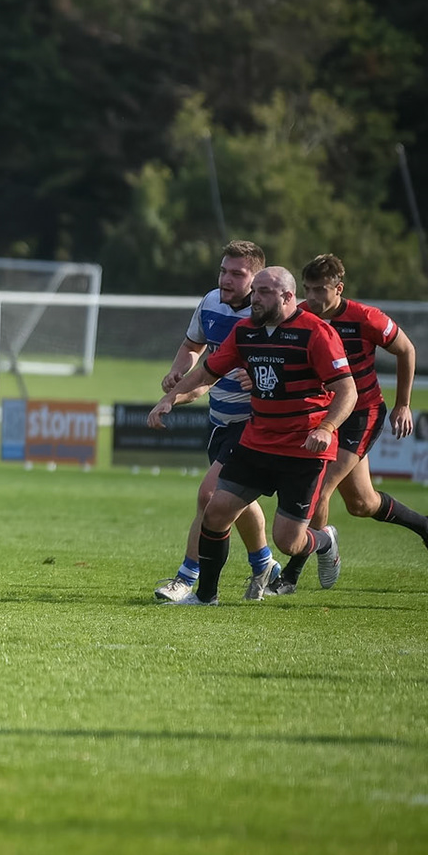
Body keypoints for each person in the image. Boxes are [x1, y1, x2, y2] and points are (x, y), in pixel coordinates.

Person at [149, 266, 355, 604]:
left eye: (264, 293)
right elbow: (206, 373)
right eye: (255, 291)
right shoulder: (246, 331)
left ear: (288, 296)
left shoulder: (317, 333)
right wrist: (169, 399)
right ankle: (205, 596)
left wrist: (326, 427)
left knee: (288, 541)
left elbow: (347, 391)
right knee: (216, 509)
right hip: (257, 442)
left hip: (303, 449)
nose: (255, 299)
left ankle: (324, 541)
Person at [298, 253, 428, 584]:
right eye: (307, 289)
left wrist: (403, 405)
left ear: (339, 288)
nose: (312, 297)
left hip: (362, 413)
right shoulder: (302, 315)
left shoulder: (366, 317)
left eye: (320, 290)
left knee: (319, 488)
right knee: (361, 503)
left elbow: (406, 349)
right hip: (325, 414)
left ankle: (296, 572)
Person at [153, 241, 276, 603]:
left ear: (256, 279)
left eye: (237, 273)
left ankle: (187, 579)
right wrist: (177, 374)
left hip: (254, 423)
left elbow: (292, 361)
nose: (226, 279)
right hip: (219, 420)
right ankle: (265, 564)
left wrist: (262, 376)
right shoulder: (209, 302)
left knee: (209, 496)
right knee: (236, 501)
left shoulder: (268, 314)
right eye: (223, 271)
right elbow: (192, 346)